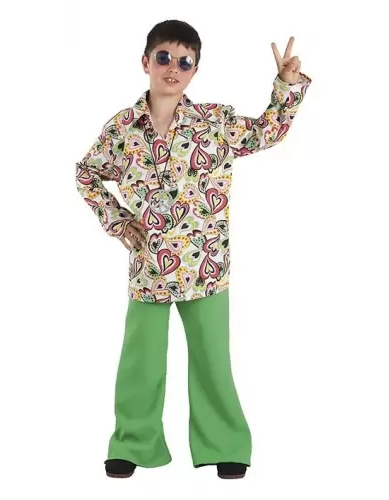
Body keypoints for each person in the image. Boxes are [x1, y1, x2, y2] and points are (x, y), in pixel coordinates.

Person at [75, 19, 312, 480]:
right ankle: (133, 442)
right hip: (149, 266)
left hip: (206, 264)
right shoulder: (122, 129)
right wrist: (116, 219)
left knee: (211, 361)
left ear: (195, 71)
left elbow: (266, 132)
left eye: (185, 62)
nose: (173, 68)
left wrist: (286, 85)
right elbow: (87, 174)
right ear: (146, 61)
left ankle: (225, 444)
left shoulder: (214, 123)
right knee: (140, 363)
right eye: (164, 57)